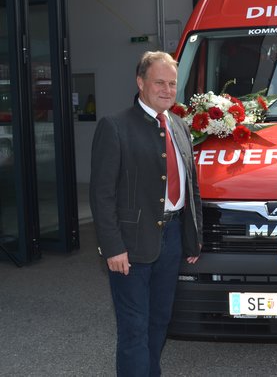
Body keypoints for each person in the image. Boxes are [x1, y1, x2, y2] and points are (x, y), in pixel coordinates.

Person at [90, 51, 203, 376]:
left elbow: (190, 187)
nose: (167, 90)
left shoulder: (180, 126)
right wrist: (112, 247)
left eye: (172, 84)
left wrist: (193, 239)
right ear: (140, 82)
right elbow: (102, 194)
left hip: (171, 241)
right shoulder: (114, 127)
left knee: (159, 322)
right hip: (130, 247)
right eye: (159, 82)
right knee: (134, 330)